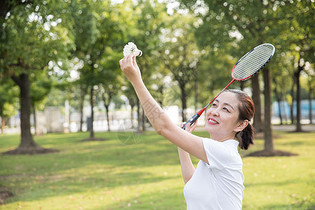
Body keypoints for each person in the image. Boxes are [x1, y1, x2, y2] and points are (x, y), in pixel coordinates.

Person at [119, 55, 255, 210]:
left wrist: (136, 81)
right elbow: (192, 182)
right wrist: (182, 142)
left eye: (225, 109)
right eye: (215, 104)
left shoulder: (224, 153)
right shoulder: (213, 153)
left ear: (241, 124)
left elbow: (163, 127)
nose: (215, 112)